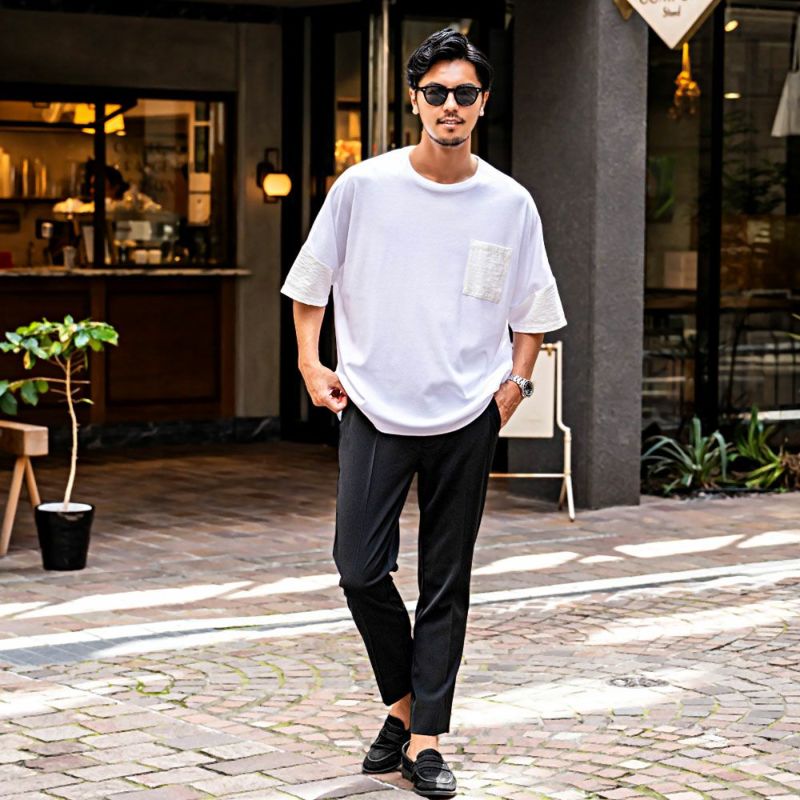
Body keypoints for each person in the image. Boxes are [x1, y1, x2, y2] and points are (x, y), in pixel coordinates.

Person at [281, 28, 566, 798]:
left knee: (446, 580)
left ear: (483, 103)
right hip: (374, 408)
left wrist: (516, 385)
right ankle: (404, 708)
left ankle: (426, 741)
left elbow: (532, 309)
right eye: (436, 92)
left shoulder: (509, 203)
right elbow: (310, 283)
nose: (450, 105)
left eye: (464, 93)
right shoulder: (364, 187)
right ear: (414, 100)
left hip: (468, 415)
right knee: (358, 568)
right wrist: (310, 363)